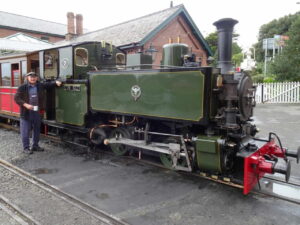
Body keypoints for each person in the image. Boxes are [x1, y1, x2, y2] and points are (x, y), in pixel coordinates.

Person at [14, 72, 62, 154]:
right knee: (25, 131)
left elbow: (49, 84)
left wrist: (56, 82)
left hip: (37, 112)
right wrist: (26, 105)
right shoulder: (22, 87)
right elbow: (16, 98)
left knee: (37, 130)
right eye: (31, 77)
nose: (33, 78)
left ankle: (35, 146)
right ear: (27, 78)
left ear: (37, 78)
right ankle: (26, 148)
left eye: (34, 77)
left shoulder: (40, 85)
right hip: (26, 112)